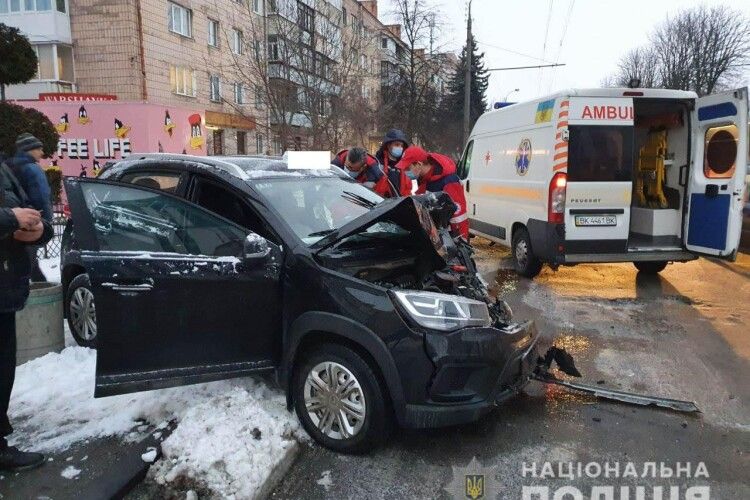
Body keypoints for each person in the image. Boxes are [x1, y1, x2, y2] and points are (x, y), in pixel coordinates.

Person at [1, 160, 53, 471]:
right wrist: (10, 219)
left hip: (5, 292)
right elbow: (13, 215)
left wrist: (38, 231)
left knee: (3, 369)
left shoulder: (6, 169)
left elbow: (31, 213)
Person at [396, 146, 469, 239]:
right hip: (435, 237)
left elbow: (459, 217)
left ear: (418, 164)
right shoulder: (425, 179)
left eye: (407, 168)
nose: (405, 172)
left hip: (450, 239)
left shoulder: (449, 181)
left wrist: (461, 242)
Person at [9, 134, 53, 282]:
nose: (41, 153)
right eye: (38, 149)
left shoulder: (8, 166)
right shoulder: (33, 169)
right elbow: (41, 197)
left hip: (13, 220)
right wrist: (46, 223)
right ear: (29, 150)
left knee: (24, 260)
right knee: (29, 261)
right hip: (32, 219)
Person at [375, 129, 412, 197]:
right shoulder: (377, 163)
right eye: (397, 144)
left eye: (401, 146)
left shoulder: (404, 166)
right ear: (388, 145)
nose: (400, 148)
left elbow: (407, 190)